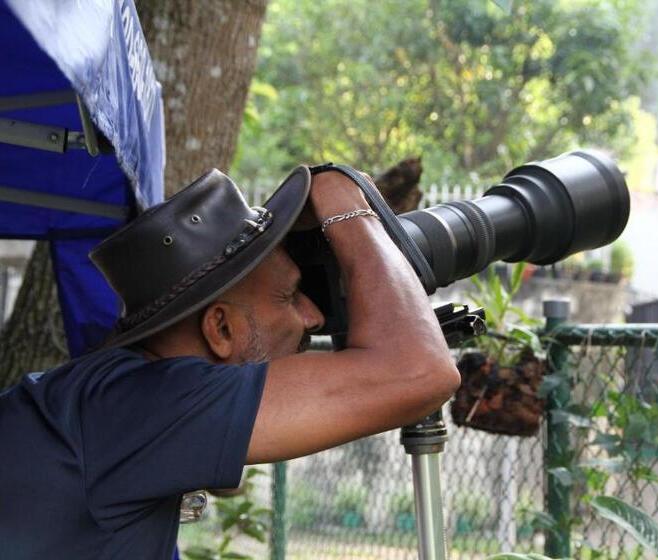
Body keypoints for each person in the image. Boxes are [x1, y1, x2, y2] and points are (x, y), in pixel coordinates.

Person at [0, 165, 461, 559]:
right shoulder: (152, 403)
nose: (314, 316)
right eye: (289, 296)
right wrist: (342, 198)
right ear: (220, 328)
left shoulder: (102, 400)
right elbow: (419, 373)